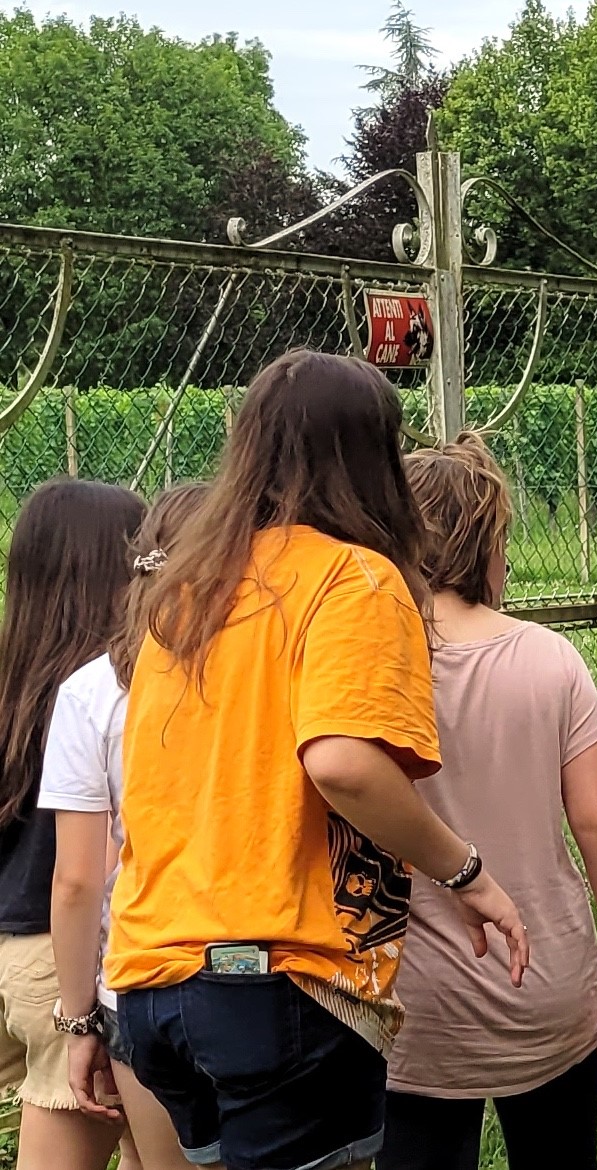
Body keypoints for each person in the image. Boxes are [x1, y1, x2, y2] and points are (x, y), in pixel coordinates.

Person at [106, 351, 530, 1170]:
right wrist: (468, 874)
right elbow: (342, 764)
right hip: (279, 983)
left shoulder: (186, 590)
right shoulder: (354, 580)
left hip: (152, 982)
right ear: (372, 456)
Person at [380, 434, 597, 1170]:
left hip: (414, 1000)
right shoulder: (549, 657)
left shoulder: (371, 664)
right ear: (487, 544)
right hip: (547, 984)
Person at [43, 482, 209, 1170]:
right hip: (268, 971)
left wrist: (80, 1020)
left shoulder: (91, 692)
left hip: (140, 980)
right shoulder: (276, 675)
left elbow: (78, 879)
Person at [0, 478, 144, 1170]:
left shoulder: (10, 678)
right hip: (66, 964)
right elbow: (91, 869)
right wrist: (82, 1005)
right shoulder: (103, 693)